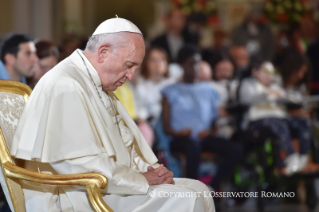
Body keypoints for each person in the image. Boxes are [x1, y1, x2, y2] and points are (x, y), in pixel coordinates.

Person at [11, 18, 214, 212]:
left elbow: (125, 142)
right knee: (190, 199)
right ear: (103, 52)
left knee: (201, 190)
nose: (131, 76)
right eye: (128, 65)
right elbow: (79, 163)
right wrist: (141, 179)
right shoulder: (66, 84)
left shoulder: (95, 81)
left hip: (108, 183)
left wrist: (152, 172)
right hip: (77, 195)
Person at [162, 45, 243, 191]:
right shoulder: (170, 91)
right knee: (193, 147)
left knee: (235, 149)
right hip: (181, 139)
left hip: (203, 138)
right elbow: (166, 126)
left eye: (198, 63)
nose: (196, 68)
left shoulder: (208, 90)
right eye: (191, 64)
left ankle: (211, 186)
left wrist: (210, 132)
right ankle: (193, 191)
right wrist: (179, 133)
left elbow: (213, 121)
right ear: (181, 65)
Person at [240, 60, 310, 175]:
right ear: (255, 72)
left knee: (304, 122)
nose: (269, 75)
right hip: (258, 122)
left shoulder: (275, 86)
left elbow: (295, 98)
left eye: (272, 72)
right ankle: (290, 157)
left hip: (280, 119)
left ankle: (303, 157)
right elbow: (246, 100)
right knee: (276, 122)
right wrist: (267, 94)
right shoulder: (248, 84)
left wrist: (285, 96)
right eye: (266, 72)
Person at [135, 46, 175, 127]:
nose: (158, 63)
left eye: (162, 59)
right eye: (153, 60)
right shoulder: (140, 84)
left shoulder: (173, 83)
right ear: (146, 63)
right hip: (151, 124)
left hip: (173, 121)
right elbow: (140, 110)